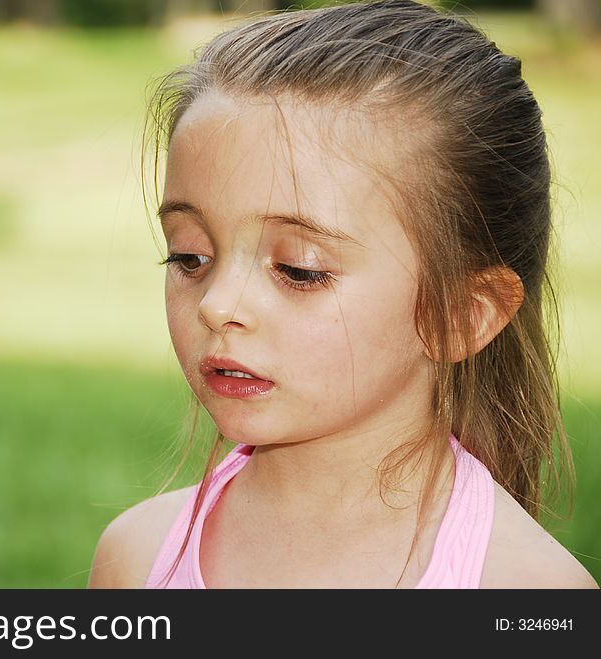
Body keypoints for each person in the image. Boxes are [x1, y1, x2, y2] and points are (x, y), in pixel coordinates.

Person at [88, 0, 599, 588]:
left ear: (462, 314)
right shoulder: (136, 557)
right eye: (190, 257)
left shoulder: (525, 591)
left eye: (300, 271)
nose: (217, 304)